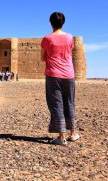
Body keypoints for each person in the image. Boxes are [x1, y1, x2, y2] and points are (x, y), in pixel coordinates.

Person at [41, 12, 80, 146]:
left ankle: (61, 137)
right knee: (69, 102)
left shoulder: (47, 39)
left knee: (56, 104)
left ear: (50, 23)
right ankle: (73, 133)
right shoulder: (70, 37)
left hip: (53, 75)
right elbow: (68, 52)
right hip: (69, 74)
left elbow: (42, 57)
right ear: (63, 22)